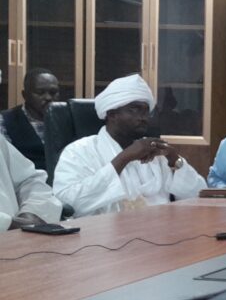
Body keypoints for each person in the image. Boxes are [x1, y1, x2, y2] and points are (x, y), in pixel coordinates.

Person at [53, 74, 205, 217]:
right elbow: (68, 203)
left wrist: (174, 159)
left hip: (161, 229)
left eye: (146, 111)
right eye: (134, 110)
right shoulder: (79, 151)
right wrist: (124, 158)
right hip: (105, 232)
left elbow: (198, 196)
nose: (143, 118)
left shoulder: (156, 152)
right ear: (112, 114)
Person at [0, 68, 59, 170]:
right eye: (40, 92)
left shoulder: (67, 119)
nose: (48, 97)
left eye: (53, 92)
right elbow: (5, 163)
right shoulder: (5, 120)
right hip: (23, 178)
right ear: (25, 95)